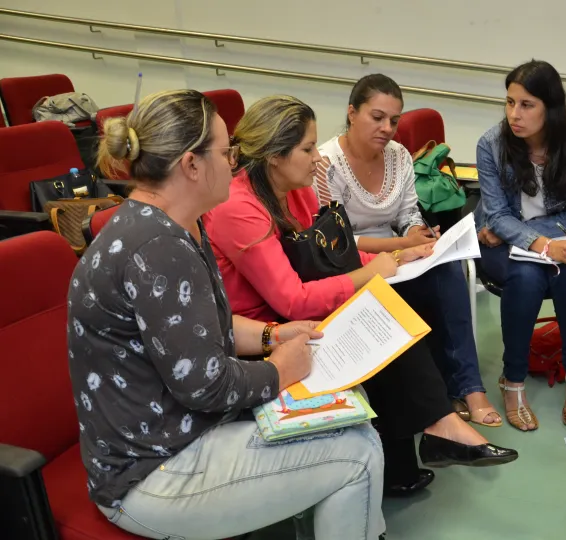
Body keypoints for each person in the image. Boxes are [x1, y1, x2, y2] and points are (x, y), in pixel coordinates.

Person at [68, 90, 386, 539]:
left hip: (177, 438)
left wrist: (274, 335)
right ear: (191, 166)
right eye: (224, 151)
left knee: (356, 422)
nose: (235, 162)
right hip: (152, 472)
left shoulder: (172, 224)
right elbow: (206, 385)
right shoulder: (157, 248)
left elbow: (204, 325)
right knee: (360, 455)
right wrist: (278, 372)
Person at [203, 95, 517, 498]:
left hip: (293, 312)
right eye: (307, 148)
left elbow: (330, 257)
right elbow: (291, 301)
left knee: (391, 308)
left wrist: (399, 255)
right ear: (274, 157)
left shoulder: (295, 190)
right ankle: (435, 431)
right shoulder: (238, 208)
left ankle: (412, 453)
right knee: (377, 320)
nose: (318, 158)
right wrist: (370, 273)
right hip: (262, 333)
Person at [318, 74, 501, 427]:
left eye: (394, 120)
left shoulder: (399, 155)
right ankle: (439, 401)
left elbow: (406, 213)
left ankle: (469, 387)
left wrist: (418, 232)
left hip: (397, 256)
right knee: (423, 281)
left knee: (448, 270)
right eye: (377, 117)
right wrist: (404, 244)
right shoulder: (326, 164)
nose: (387, 128)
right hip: (350, 263)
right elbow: (335, 240)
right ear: (352, 113)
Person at [476, 59, 566, 431]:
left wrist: (530, 234)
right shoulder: (491, 145)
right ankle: (512, 381)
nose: (514, 114)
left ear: (551, 107)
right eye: (510, 102)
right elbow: (496, 216)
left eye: (527, 105)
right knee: (528, 277)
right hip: (506, 245)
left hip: (565, 235)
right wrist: (542, 244)